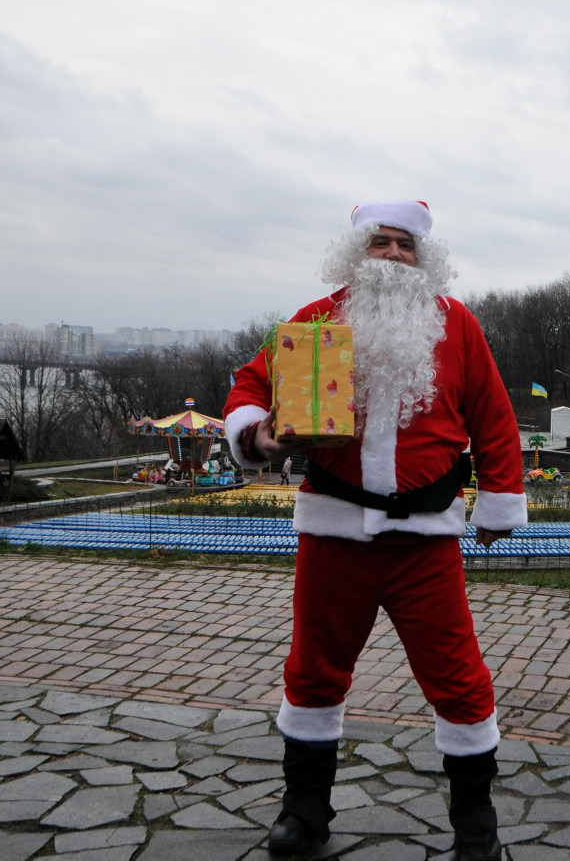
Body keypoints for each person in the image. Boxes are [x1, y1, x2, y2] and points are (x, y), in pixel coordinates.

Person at [224, 201, 526, 861]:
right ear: (358, 252)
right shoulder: (314, 321)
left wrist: (500, 500)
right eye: (380, 242)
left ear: (423, 258)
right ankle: (304, 811)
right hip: (334, 535)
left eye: (404, 245)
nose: (391, 254)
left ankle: (476, 824)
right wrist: (259, 430)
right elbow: (249, 384)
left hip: (426, 541)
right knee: (313, 671)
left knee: (459, 677)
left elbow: (495, 416)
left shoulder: (460, 327)